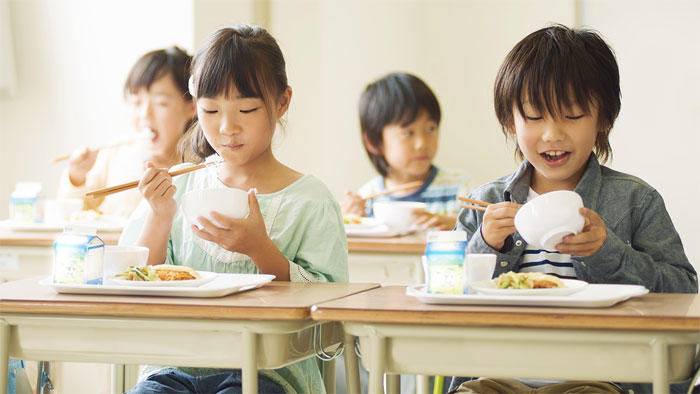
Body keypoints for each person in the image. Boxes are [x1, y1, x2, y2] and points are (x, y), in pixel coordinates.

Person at [450, 24, 698, 394]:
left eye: (573, 114)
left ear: (604, 119)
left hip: (597, 379)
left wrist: (608, 252)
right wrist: (486, 246)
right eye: (534, 117)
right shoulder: (486, 201)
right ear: (509, 121)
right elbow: (443, 294)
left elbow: (684, 293)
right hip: (496, 377)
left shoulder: (635, 200)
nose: (552, 134)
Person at [119, 24, 348, 394]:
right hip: (174, 367)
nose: (227, 127)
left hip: (268, 373)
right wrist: (160, 217)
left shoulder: (311, 200)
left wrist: (261, 250)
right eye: (210, 110)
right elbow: (135, 279)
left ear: (282, 101)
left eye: (246, 109)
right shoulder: (181, 184)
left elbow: (330, 317)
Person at [57, 46, 195, 218]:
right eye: (137, 103)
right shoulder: (115, 153)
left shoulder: (197, 164)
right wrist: (77, 176)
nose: (145, 114)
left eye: (161, 103)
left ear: (192, 107)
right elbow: (75, 210)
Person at [341, 72, 470, 230]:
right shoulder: (367, 200)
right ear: (374, 142)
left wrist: (458, 225)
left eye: (430, 128)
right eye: (408, 132)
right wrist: (349, 221)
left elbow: (482, 239)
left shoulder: (460, 189)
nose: (421, 144)